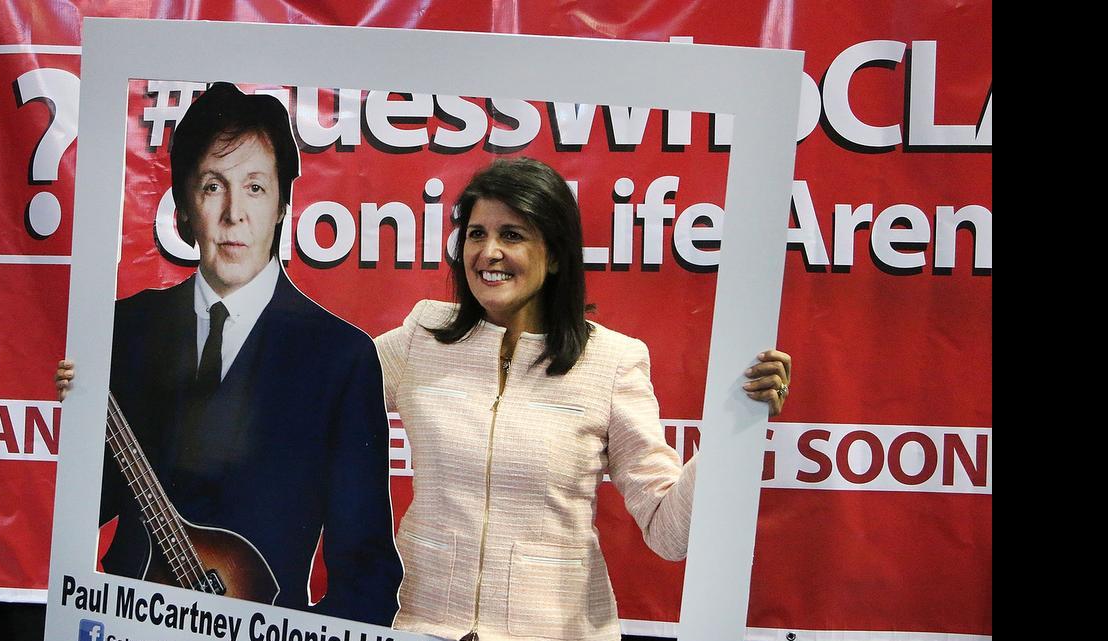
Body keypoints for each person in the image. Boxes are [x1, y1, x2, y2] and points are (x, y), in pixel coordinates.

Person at [372, 158, 790, 640]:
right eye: (475, 234)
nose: (488, 252)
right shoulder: (420, 338)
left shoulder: (612, 361)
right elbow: (317, 397)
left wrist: (735, 429)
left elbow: (669, 533)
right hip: (423, 627)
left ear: (553, 256)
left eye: (512, 235)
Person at [56, 82, 401, 624]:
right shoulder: (123, 329)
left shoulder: (341, 358)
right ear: (184, 209)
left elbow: (366, 568)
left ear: (284, 205)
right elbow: (81, 508)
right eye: (213, 187)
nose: (234, 213)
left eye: (256, 188)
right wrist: (75, 415)